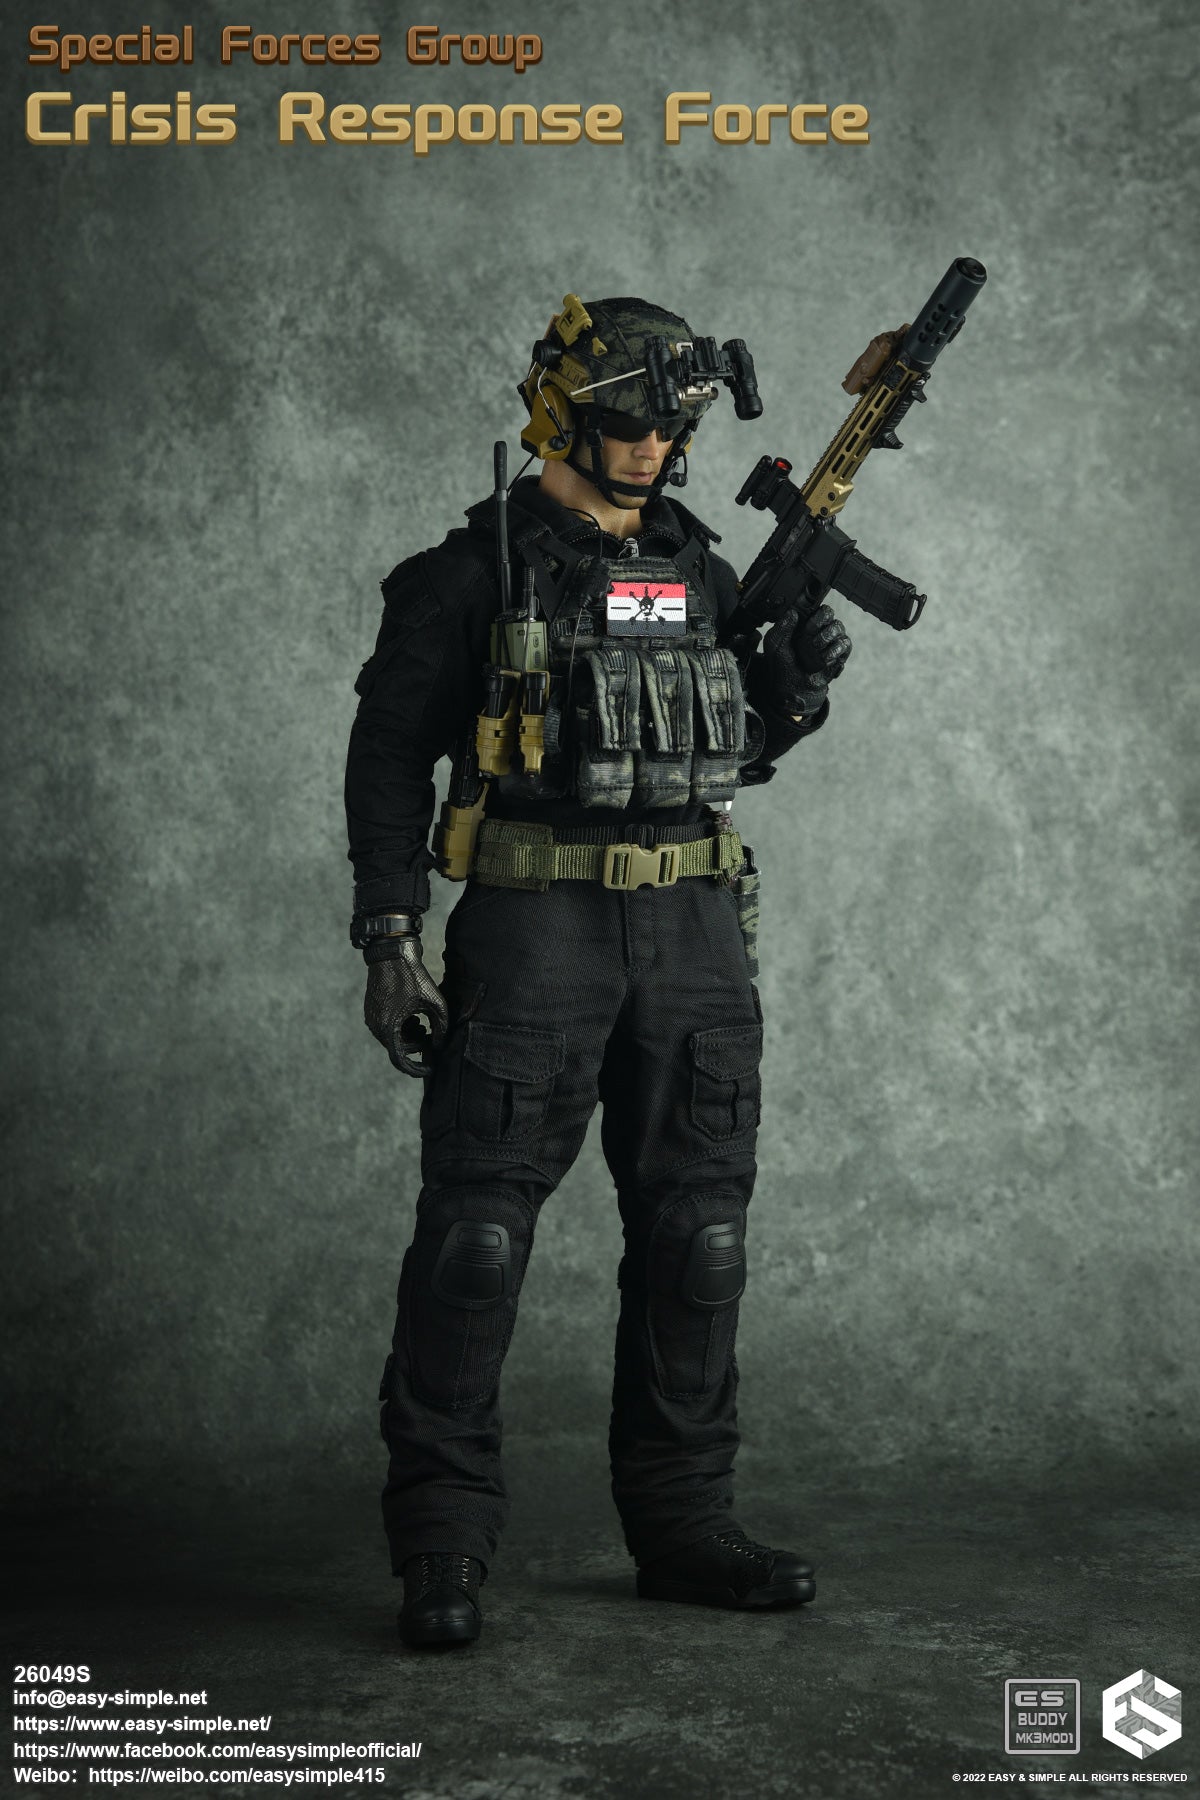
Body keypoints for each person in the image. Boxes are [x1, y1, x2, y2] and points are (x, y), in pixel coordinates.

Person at [344, 295, 851, 1648]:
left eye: (673, 425)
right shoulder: (471, 575)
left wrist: (794, 695)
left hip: (693, 931)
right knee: (476, 1240)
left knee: (701, 1240)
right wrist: (390, 938)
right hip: (534, 932)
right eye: (629, 420)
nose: (653, 446)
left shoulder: (702, 573)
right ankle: (443, 1542)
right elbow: (388, 757)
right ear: (561, 416)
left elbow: (730, 749)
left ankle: (684, 1525)